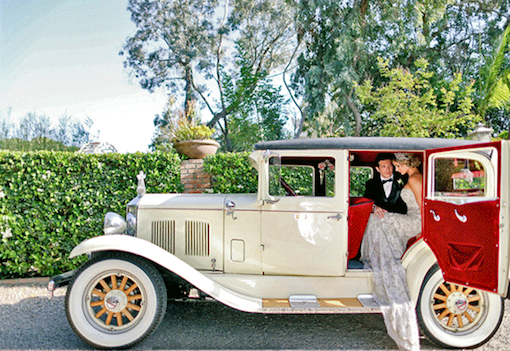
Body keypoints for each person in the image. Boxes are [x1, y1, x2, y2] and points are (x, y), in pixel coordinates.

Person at [360, 153, 423, 351]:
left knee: (382, 221)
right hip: (403, 218)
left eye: (395, 165)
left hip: (415, 221)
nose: (393, 169)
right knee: (377, 218)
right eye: (388, 166)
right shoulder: (375, 183)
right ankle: (378, 254)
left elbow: (423, 208)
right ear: (377, 168)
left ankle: (385, 257)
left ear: (405, 163)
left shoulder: (411, 179)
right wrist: (375, 207)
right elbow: (365, 202)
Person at [363, 153, 407, 218]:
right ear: (378, 169)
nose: (388, 169)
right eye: (384, 166)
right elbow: (366, 203)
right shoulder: (371, 184)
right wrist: (375, 208)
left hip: (400, 219)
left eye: (390, 166)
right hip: (380, 221)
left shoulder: (404, 179)